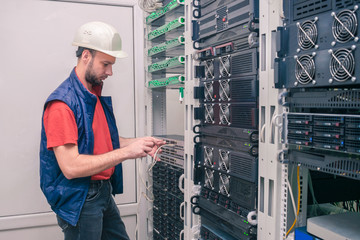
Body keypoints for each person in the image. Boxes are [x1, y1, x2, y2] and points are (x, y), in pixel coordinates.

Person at [39, 21, 165, 240]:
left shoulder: (92, 95)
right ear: (86, 56)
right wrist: (128, 153)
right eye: (105, 64)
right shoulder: (62, 104)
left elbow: (103, 140)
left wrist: (139, 143)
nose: (110, 72)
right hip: (80, 197)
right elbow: (71, 167)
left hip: (101, 192)